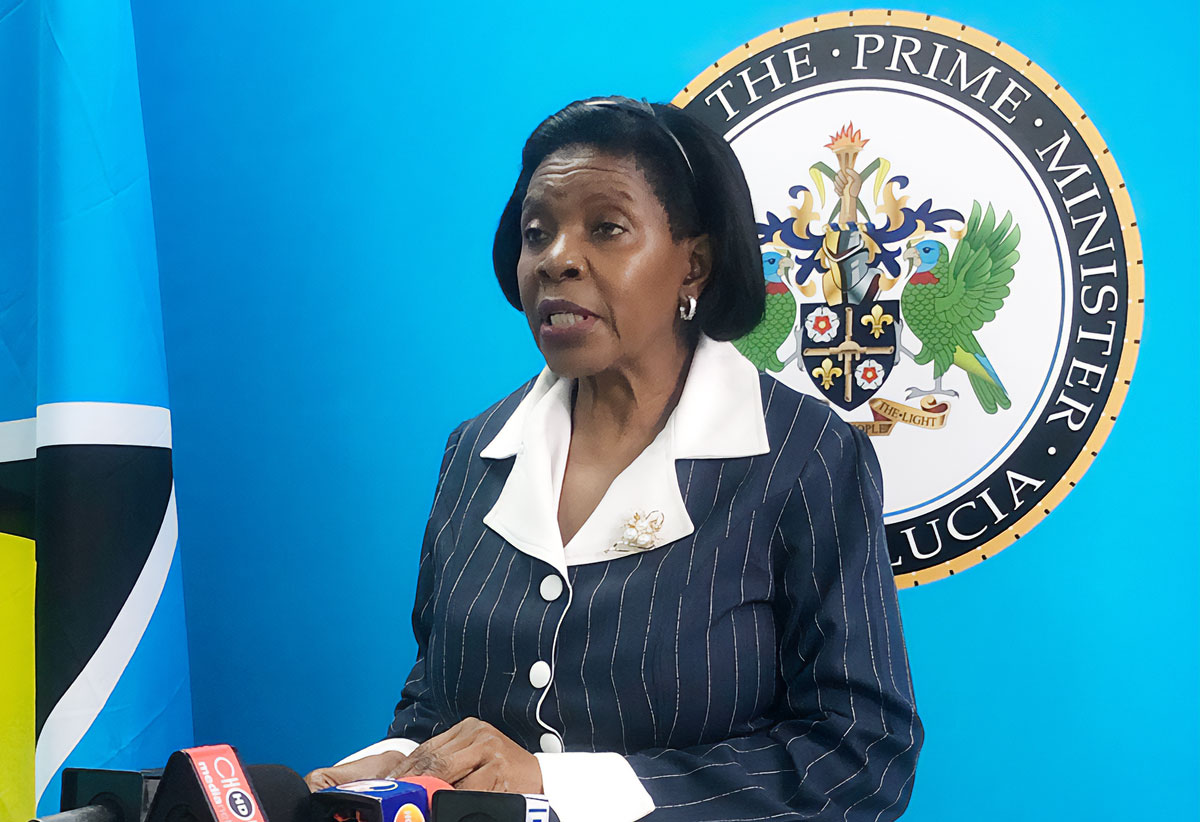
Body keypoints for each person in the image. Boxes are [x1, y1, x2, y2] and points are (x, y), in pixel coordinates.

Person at [305, 97, 922, 821]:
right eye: (536, 233)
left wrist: (554, 785)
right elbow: (433, 702)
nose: (557, 259)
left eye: (607, 228)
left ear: (694, 264)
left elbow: (858, 756)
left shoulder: (804, 455)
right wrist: (391, 768)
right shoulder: (473, 452)